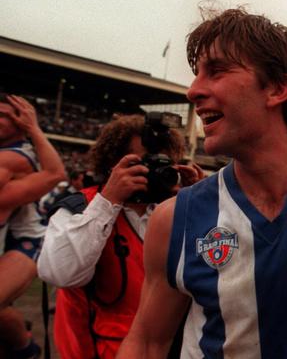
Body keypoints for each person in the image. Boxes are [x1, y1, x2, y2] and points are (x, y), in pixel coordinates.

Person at [118, 8, 287, 358]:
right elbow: (147, 341)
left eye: (216, 71)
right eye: (197, 74)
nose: (193, 91)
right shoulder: (174, 219)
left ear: (277, 87)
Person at [37, 114, 196, 359]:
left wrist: (198, 208)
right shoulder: (81, 206)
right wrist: (109, 200)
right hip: (99, 349)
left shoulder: (172, 210)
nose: (155, 170)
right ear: (113, 163)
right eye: (145, 162)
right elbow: (60, 274)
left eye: (164, 163)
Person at [0, 94, 66, 358]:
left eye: (5, 115)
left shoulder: (18, 155)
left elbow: (56, 174)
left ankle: (24, 349)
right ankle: (23, 346)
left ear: (21, 122)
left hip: (27, 239)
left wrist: (33, 128)